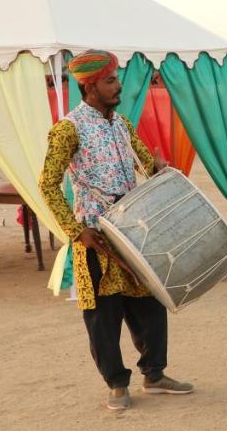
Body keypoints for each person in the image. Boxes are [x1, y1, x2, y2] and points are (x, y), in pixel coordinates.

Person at [39, 50, 195, 411]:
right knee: (102, 316)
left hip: (134, 231)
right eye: (110, 80)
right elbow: (47, 184)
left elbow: (146, 163)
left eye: (116, 78)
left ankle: (154, 375)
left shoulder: (122, 124)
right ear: (88, 86)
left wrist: (158, 168)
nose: (118, 84)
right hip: (94, 236)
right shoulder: (68, 129)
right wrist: (76, 232)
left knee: (151, 305)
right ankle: (116, 385)